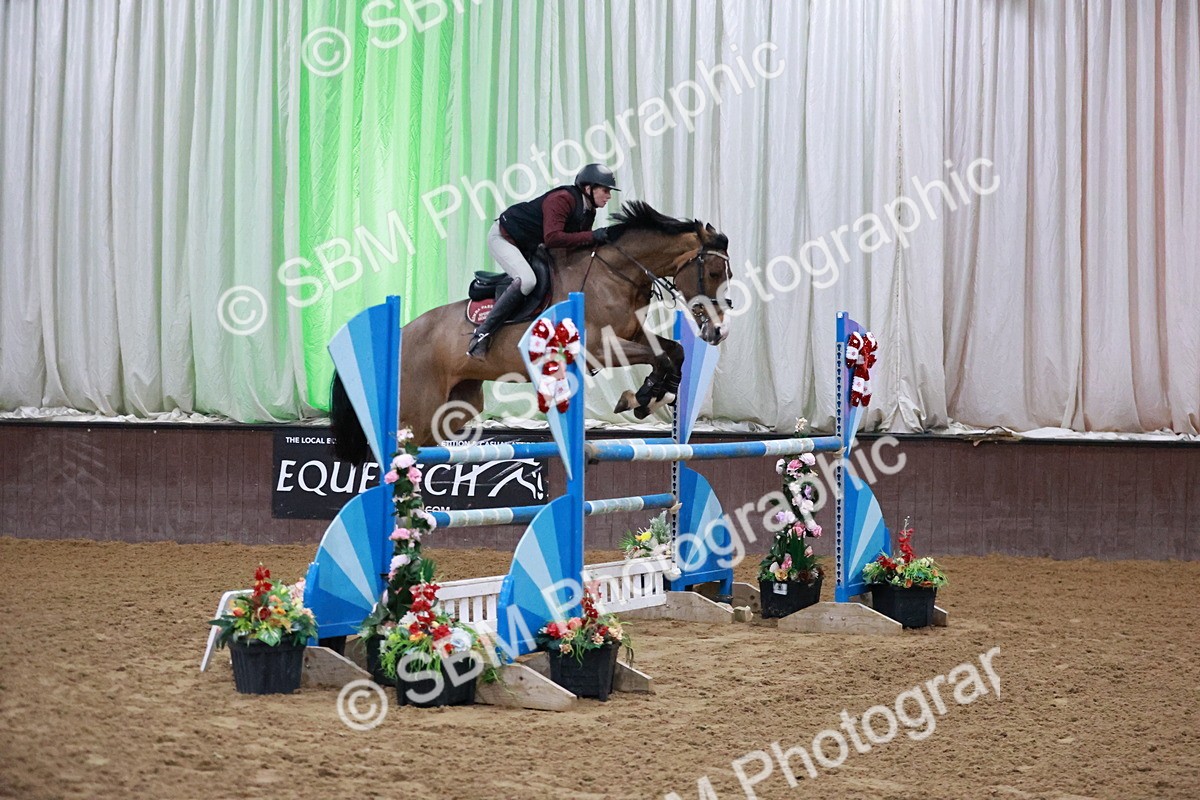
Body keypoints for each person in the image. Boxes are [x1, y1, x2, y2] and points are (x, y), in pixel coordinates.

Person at [467, 163, 618, 358]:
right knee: (527, 280)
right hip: (504, 237)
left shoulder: (588, 210)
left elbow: (576, 242)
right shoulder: (562, 199)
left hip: (529, 244)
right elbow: (553, 238)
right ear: (589, 188)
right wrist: (592, 236)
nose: (609, 196)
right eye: (605, 190)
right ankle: (482, 334)